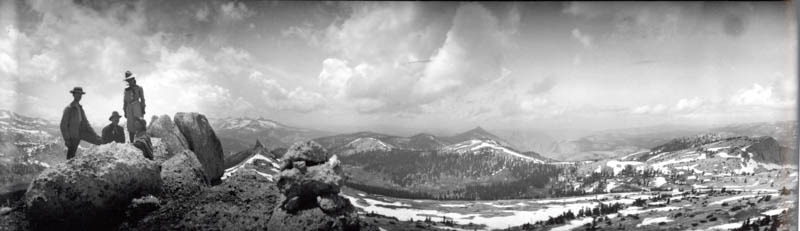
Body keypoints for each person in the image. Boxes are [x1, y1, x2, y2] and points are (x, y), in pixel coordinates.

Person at [60, 87, 102, 159]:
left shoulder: (80, 108)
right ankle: (69, 168)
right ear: (73, 95)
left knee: (99, 141)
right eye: (77, 94)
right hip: (73, 136)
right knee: (71, 156)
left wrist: (95, 135)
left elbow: (86, 123)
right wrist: (67, 139)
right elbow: (63, 125)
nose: (79, 96)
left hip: (82, 132)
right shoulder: (69, 108)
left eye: (80, 94)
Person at [123, 70, 146, 142]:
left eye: (130, 80)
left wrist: (143, 109)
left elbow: (142, 99)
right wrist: (125, 111)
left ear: (133, 79)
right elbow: (125, 101)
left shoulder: (139, 88)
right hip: (129, 108)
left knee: (139, 123)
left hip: (137, 106)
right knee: (130, 126)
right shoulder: (126, 90)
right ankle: (132, 141)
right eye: (128, 80)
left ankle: (142, 140)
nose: (129, 82)